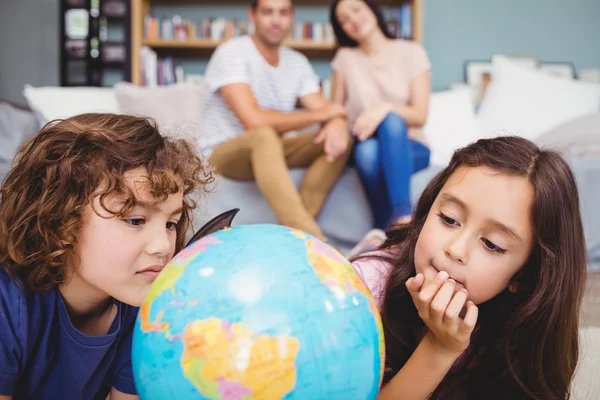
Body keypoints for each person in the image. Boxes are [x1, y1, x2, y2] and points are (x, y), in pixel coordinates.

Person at [351, 136, 587, 399]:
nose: (456, 250)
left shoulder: (520, 335)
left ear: (524, 275)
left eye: (491, 244)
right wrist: (439, 348)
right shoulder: (359, 293)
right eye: (449, 219)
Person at [0, 113, 211, 400]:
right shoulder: (9, 305)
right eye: (135, 220)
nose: (163, 246)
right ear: (60, 222)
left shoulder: (144, 311)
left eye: (170, 224)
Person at [201, 0, 352, 241]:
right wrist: (323, 114)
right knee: (264, 134)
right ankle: (313, 238)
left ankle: (292, 234)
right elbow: (254, 121)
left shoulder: (297, 62)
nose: (276, 20)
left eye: (283, 13)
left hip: (270, 151)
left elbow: (324, 108)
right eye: (268, 12)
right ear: (253, 15)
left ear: (292, 17)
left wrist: (337, 123)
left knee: (339, 139)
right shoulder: (231, 52)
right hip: (223, 153)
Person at [329, 0, 432, 233]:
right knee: (366, 152)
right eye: (343, 20)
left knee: (391, 121)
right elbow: (336, 111)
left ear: (371, 9)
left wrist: (383, 108)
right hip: (364, 140)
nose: (352, 21)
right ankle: (395, 225)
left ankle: (398, 218)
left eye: (356, 10)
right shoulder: (345, 58)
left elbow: (420, 115)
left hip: (411, 145)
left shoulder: (412, 52)